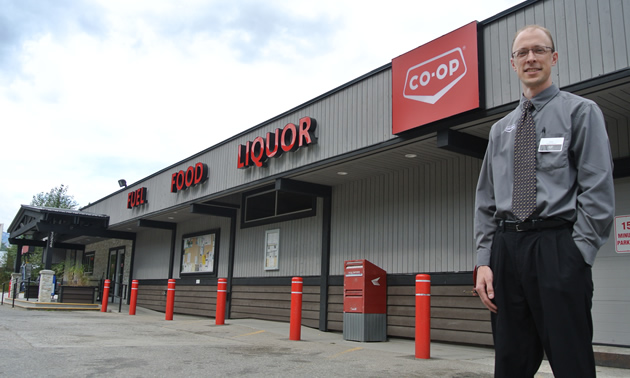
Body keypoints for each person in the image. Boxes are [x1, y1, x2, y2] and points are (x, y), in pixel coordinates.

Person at [473, 25, 615, 378]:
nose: (531, 58)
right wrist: (484, 261)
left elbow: (597, 190)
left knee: (572, 361)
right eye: (522, 53)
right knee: (510, 362)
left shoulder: (581, 113)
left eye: (539, 50)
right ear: (513, 63)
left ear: (553, 58)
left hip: (556, 248)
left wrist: (577, 252)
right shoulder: (500, 129)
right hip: (506, 251)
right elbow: (486, 201)